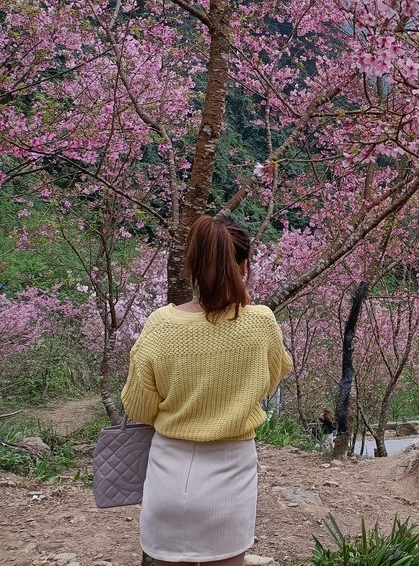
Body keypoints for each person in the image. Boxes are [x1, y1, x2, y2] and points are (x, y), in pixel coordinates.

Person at [121, 214, 293, 566]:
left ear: (193, 264)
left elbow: (139, 408)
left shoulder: (160, 325)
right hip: (232, 475)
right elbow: (271, 377)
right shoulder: (261, 323)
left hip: (168, 471)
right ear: (244, 264)